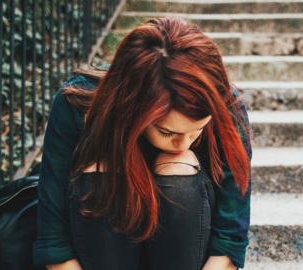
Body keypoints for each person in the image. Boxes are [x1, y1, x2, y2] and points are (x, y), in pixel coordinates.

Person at [32, 16, 253, 270]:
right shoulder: (78, 105)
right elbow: (53, 241)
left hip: (187, 248)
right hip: (104, 247)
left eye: (197, 131)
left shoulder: (226, 105)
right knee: (100, 169)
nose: (183, 143)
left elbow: (230, 238)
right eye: (168, 132)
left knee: (178, 164)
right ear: (134, 108)